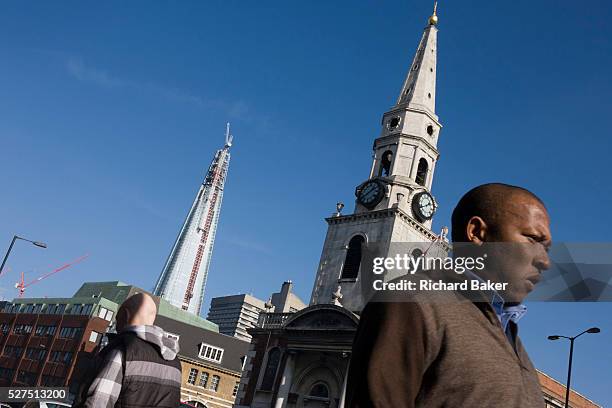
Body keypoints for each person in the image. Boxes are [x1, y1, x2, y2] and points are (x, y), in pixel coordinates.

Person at [346, 183, 552, 408]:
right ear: (477, 232)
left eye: (547, 249)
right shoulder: (410, 302)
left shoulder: (513, 339)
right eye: (532, 239)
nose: (545, 262)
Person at [74, 293, 182, 408]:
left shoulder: (123, 351)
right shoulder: (175, 364)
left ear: (125, 315)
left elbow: (98, 403)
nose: (116, 326)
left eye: (117, 319)